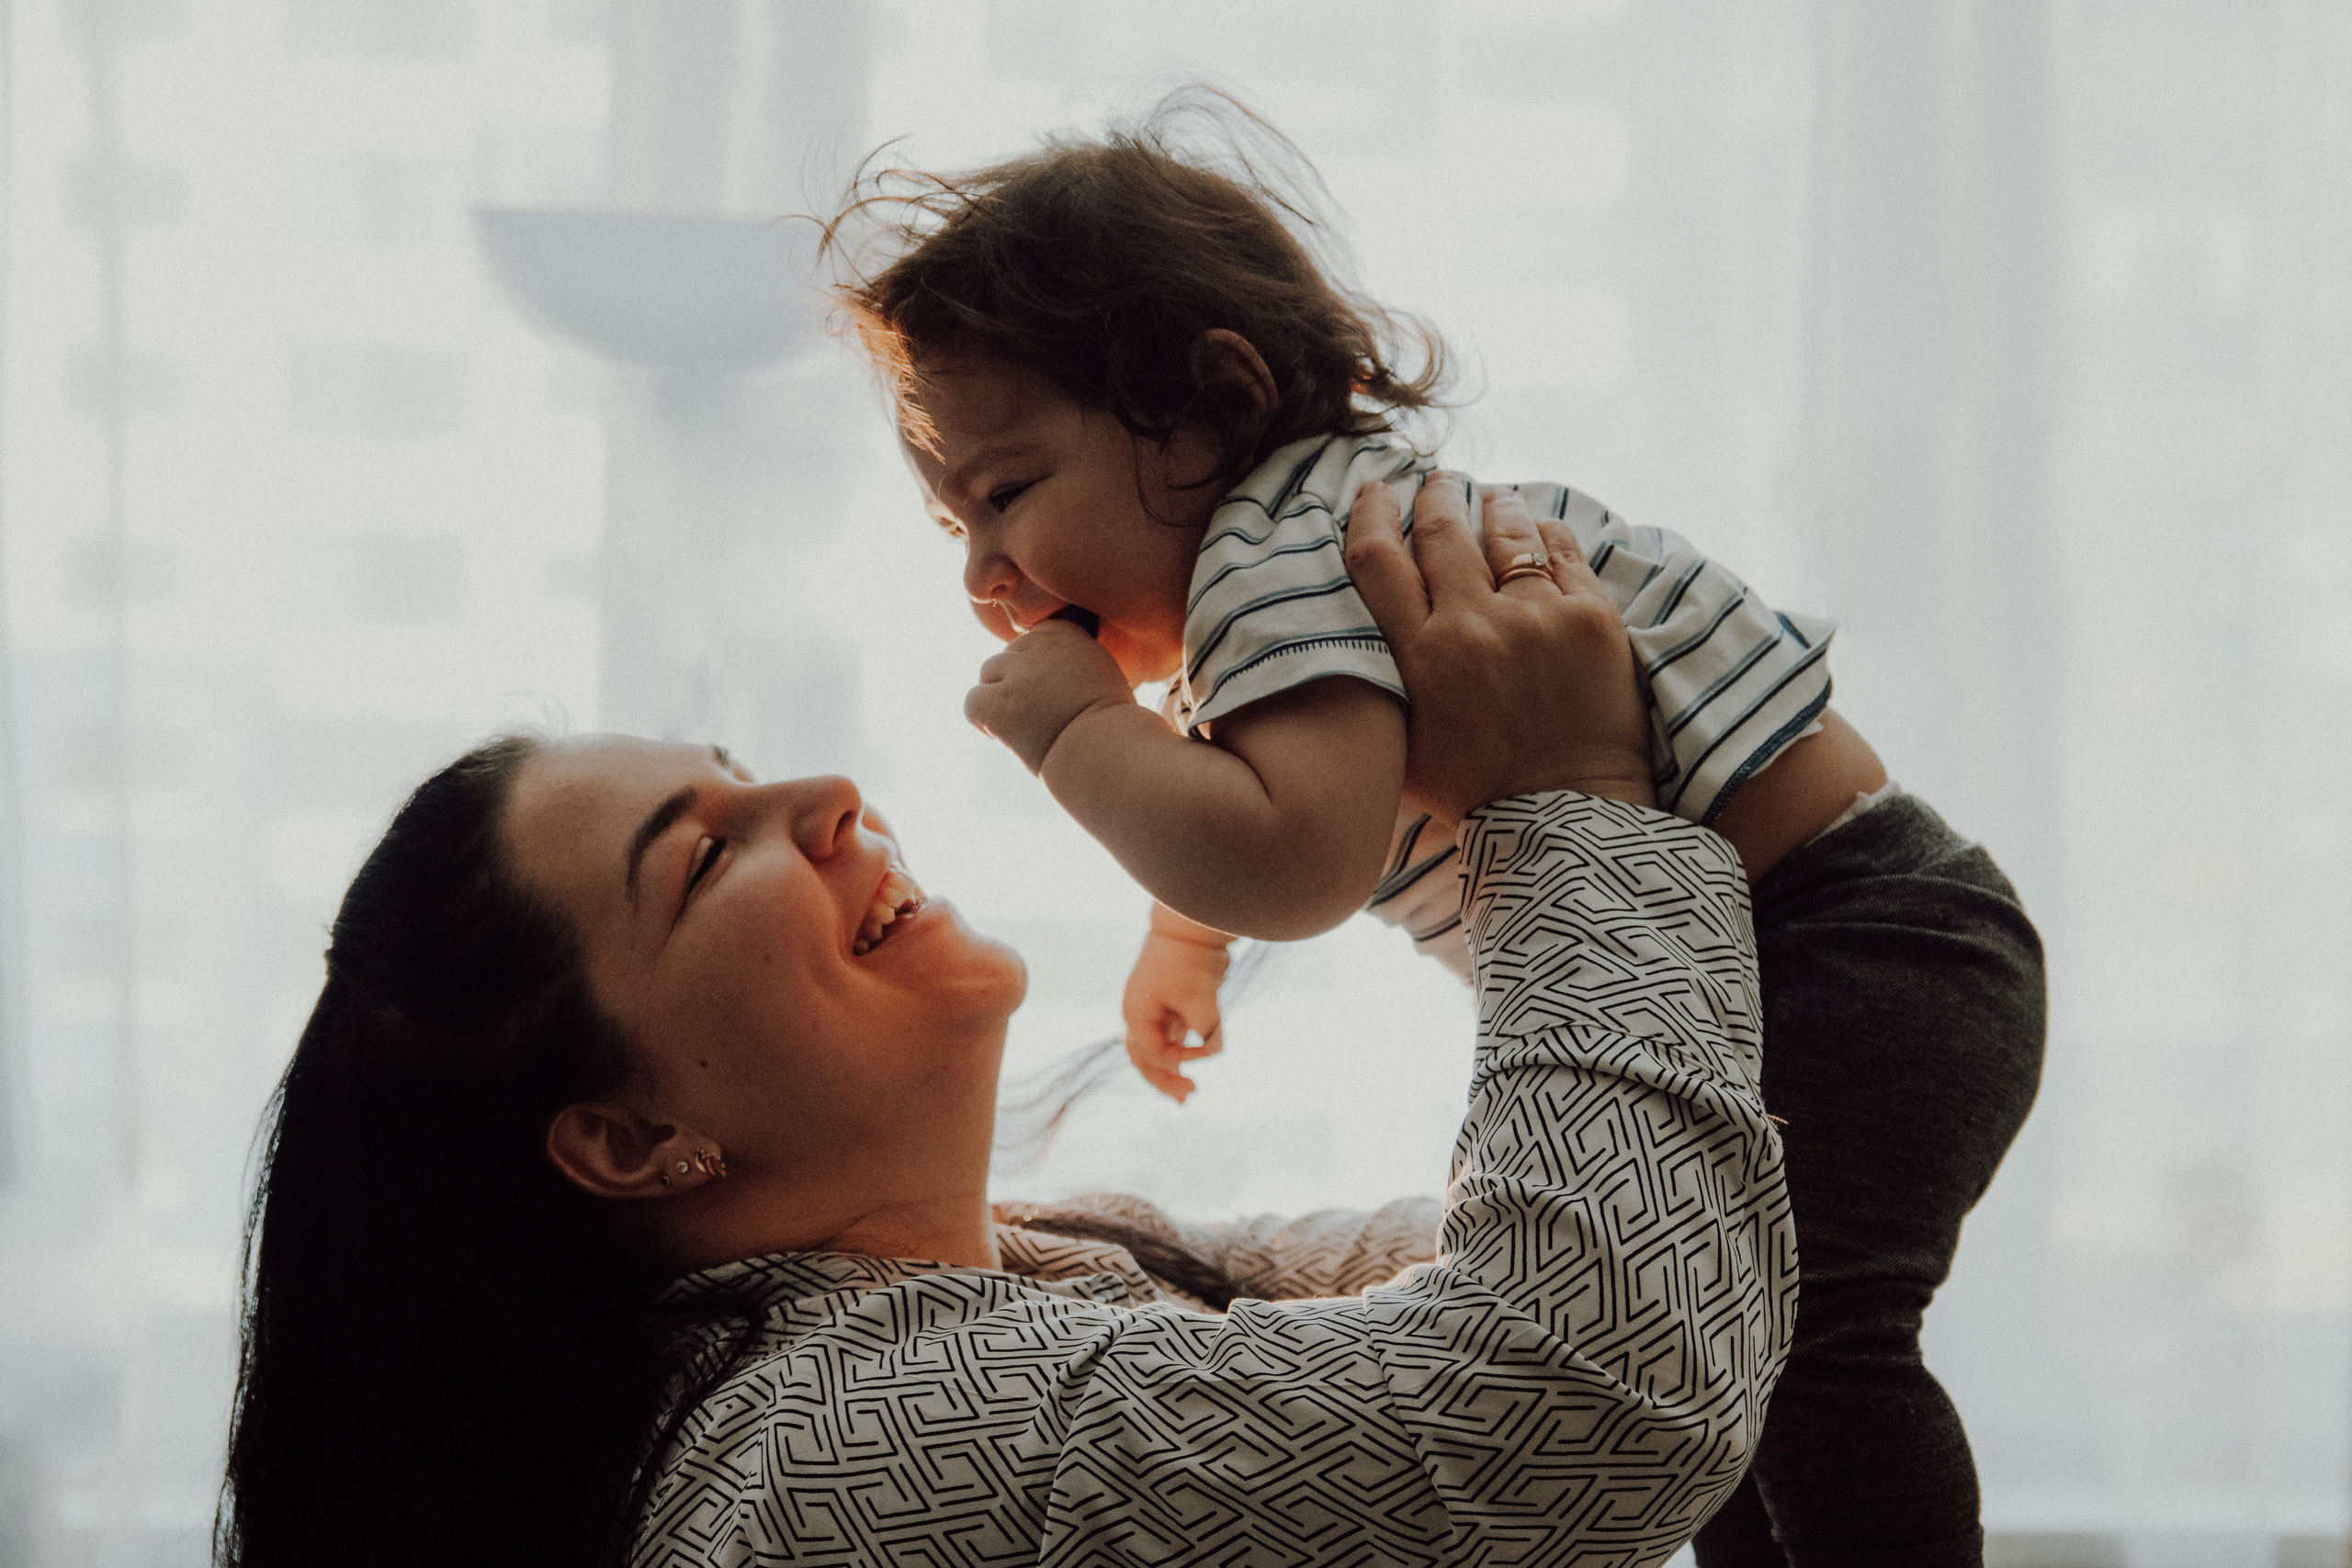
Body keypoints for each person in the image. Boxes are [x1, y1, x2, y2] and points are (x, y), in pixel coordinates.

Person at [826, 93, 2044, 1567]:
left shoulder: (1278, 557)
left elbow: (1292, 855)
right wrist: (1177, 936)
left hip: (1850, 939)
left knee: (1804, 1339)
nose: (988, 574)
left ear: (1209, 404)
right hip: (1840, 944)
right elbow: (1286, 782)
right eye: (953, 528)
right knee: (1723, 1348)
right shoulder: (1289, 566)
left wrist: (1082, 734)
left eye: (1005, 495)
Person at [218, 479, 1791, 1568]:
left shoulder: (1043, 1256)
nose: (829, 796)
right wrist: (1570, 799)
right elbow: (1584, 1393)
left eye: (744, 766)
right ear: (629, 1140)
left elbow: (1587, 1268)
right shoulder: (831, 1450)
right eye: (705, 856)